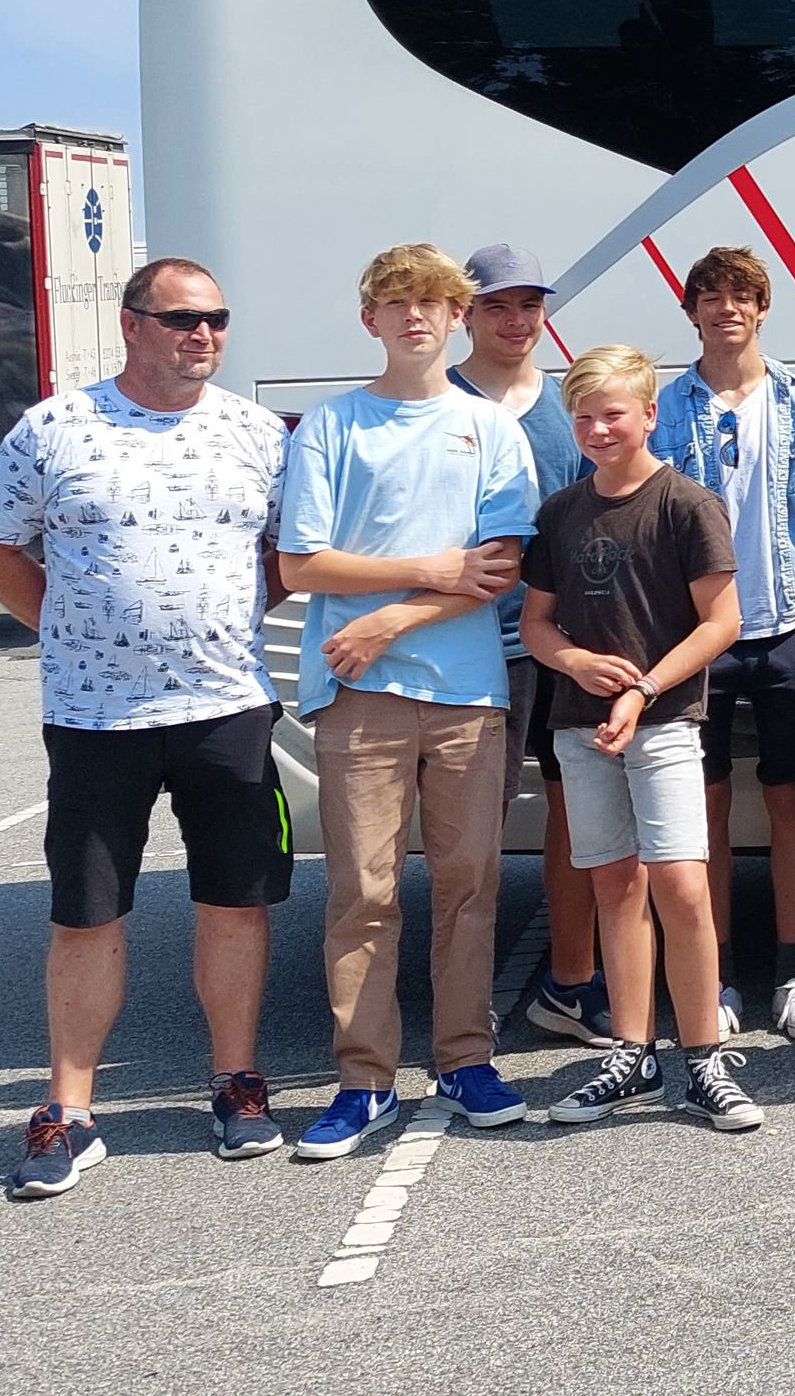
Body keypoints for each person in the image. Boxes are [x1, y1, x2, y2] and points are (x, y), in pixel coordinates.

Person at [0, 258, 296, 1198]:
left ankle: (236, 1085)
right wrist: (63, 625)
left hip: (225, 707)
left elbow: (291, 553)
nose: (203, 335)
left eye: (216, 319)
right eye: (183, 319)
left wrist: (231, 613)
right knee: (86, 912)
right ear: (132, 324)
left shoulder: (256, 433)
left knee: (235, 901)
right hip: (93, 715)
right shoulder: (56, 428)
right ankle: (68, 1112)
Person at [277, 244, 539, 1155]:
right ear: (371, 321)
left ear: (458, 318)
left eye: (433, 302)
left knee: (469, 886)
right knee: (363, 892)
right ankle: (364, 1081)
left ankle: (467, 1060)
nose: (416, 316)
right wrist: (428, 569)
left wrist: (390, 617)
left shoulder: (490, 429)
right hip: (358, 693)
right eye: (397, 303)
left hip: (467, 692)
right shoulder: (332, 426)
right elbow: (301, 564)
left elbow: (497, 569)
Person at [524, 345, 762, 1132]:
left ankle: (704, 1060)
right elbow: (537, 625)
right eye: (583, 416)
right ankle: (631, 1054)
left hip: (663, 724)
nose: (598, 429)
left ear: (650, 415)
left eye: (613, 414)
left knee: (682, 886)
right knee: (613, 886)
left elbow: (721, 623)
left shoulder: (686, 503)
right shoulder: (561, 512)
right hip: (580, 726)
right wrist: (575, 662)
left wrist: (644, 688)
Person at [646, 246, 795, 1044]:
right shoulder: (666, 405)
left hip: (787, 625)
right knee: (707, 808)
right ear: (690, 310)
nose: (726, 307)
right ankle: (717, 977)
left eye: (741, 295)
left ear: (762, 308)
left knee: (791, 800)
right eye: (711, 296)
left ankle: (794, 976)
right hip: (701, 636)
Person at [446, 244, 618, 1047]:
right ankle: (463, 998)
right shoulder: (440, 402)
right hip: (470, 644)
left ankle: (571, 984)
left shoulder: (563, 406)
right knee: (471, 834)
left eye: (529, 306)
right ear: (466, 314)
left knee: (575, 816)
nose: (516, 322)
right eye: (497, 306)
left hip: (562, 642)